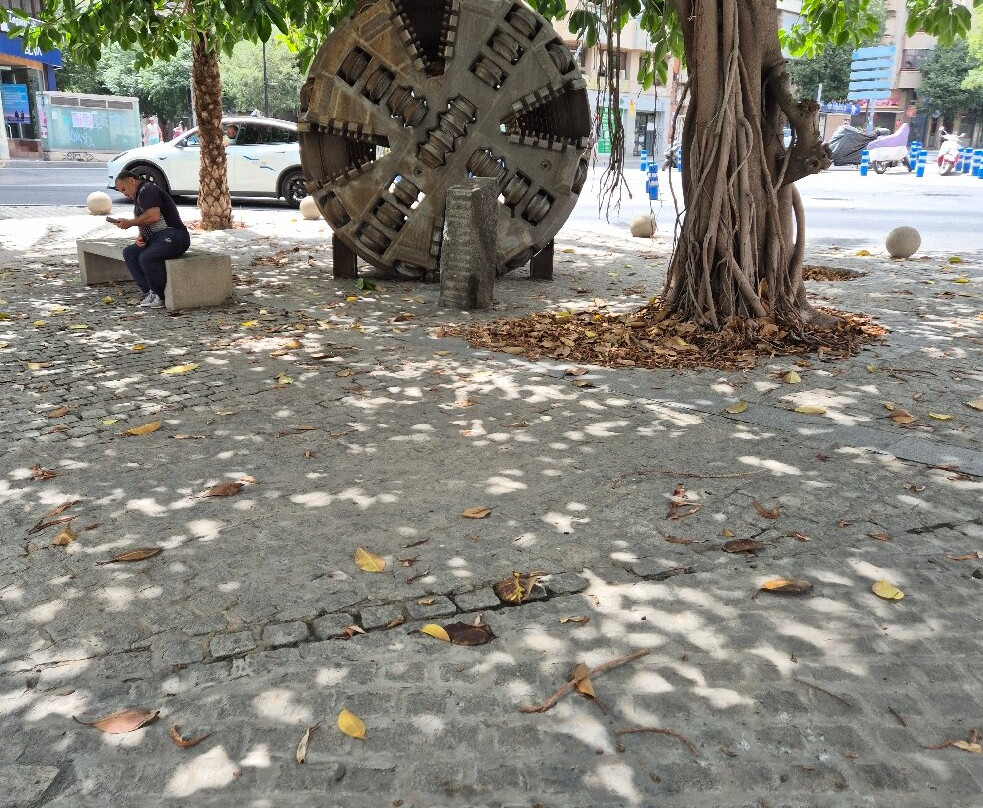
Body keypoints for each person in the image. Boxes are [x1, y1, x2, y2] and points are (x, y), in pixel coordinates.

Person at [112, 170, 190, 309]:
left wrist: (129, 223)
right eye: (120, 191)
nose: (124, 194)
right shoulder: (139, 195)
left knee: (147, 257)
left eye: (123, 189)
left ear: (131, 180)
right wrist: (141, 236)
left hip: (174, 235)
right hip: (156, 237)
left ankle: (160, 296)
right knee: (130, 253)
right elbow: (146, 222)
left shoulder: (148, 190)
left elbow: (153, 216)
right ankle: (151, 291)